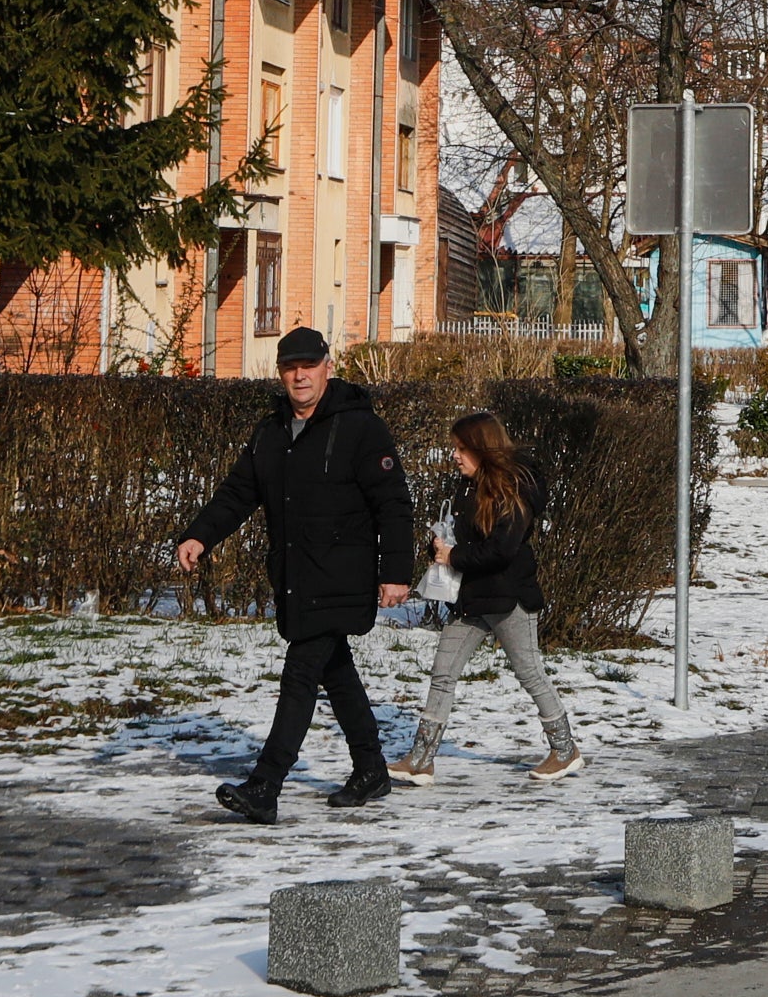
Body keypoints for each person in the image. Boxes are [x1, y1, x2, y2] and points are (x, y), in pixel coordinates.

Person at [177, 325, 414, 822]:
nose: (300, 376)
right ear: (280, 372)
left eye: (309, 365)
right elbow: (239, 492)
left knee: (302, 672)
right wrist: (200, 535)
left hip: (342, 575)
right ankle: (371, 768)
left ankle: (266, 784)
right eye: (290, 367)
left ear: (328, 366)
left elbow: (392, 503)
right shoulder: (271, 431)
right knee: (336, 671)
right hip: (296, 575)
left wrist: (395, 571)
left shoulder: (360, 427)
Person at [398, 409, 584, 782]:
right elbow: (466, 535)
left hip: (508, 598)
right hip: (471, 600)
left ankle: (564, 750)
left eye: (461, 448)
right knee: (443, 673)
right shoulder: (467, 486)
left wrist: (455, 556)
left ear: (483, 449)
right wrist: (439, 544)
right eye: (454, 447)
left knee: (530, 672)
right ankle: (421, 759)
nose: (454, 455)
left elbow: (502, 549)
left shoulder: (514, 491)